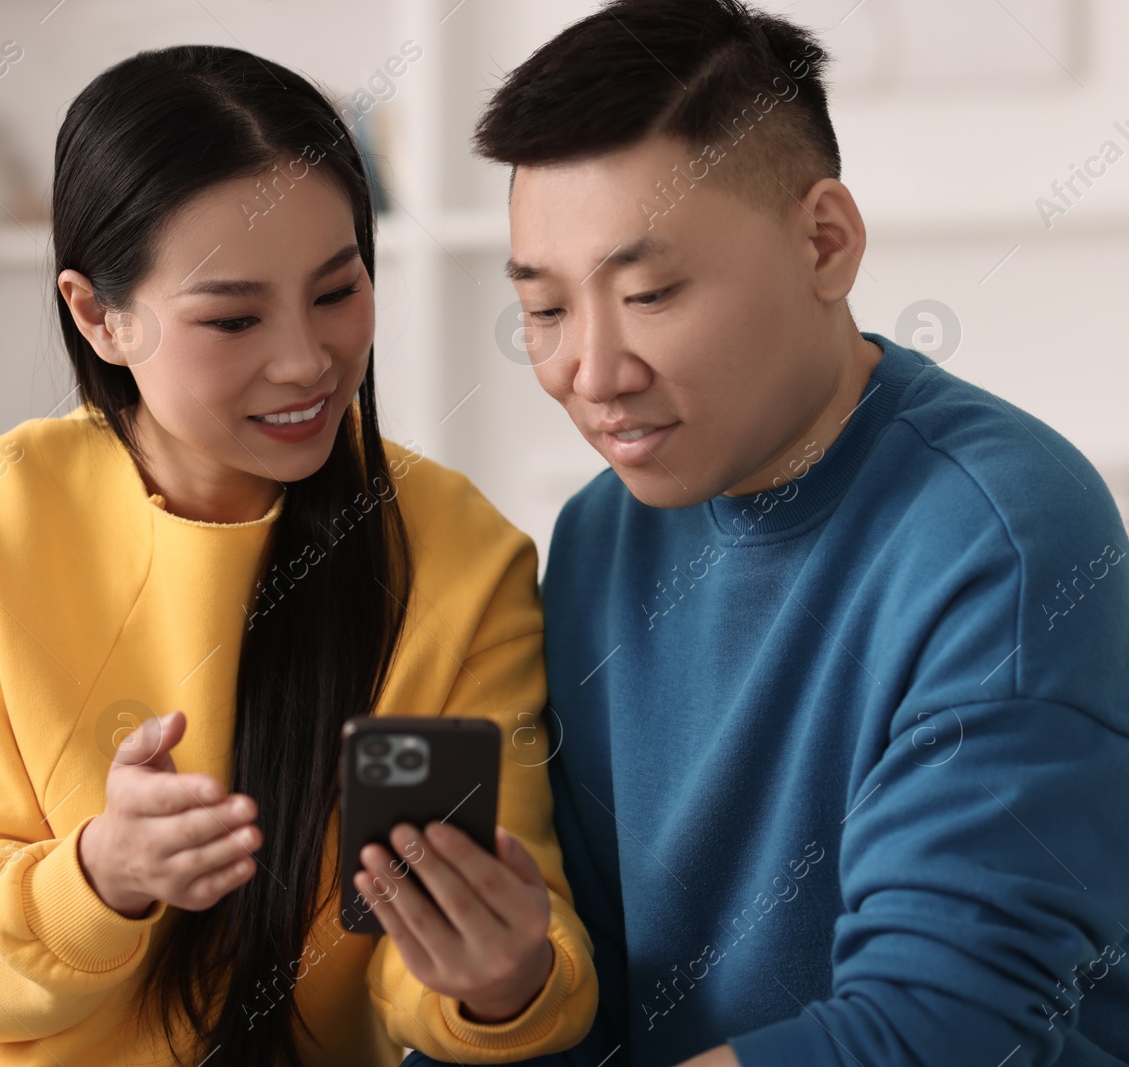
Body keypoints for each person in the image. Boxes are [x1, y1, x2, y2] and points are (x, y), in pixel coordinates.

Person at [0, 44, 598, 1067]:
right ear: (97, 314)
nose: (305, 359)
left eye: (337, 291)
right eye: (233, 317)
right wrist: (100, 873)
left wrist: (504, 980)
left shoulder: (458, 551)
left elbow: (467, 939)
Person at [406, 1, 1129, 1065]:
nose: (590, 375)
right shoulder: (600, 533)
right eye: (546, 311)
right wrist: (505, 993)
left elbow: (941, 1029)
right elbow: (589, 993)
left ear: (823, 242)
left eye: (649, 292)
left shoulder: (1005, 535)